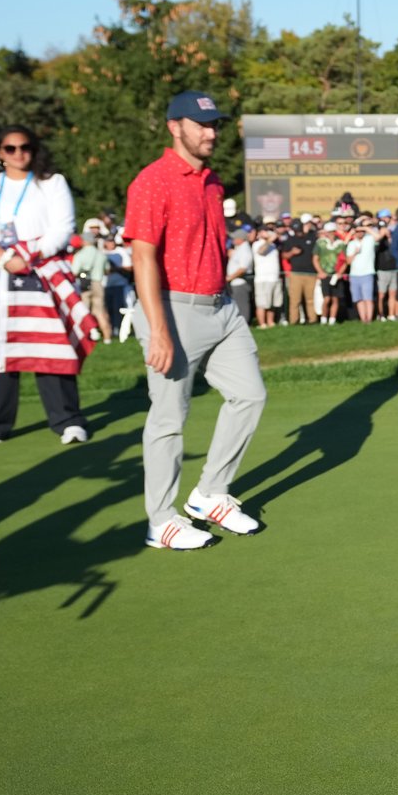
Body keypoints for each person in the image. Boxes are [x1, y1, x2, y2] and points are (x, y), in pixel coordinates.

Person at [126, 91, 266, 550]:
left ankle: (209, 494)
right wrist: (159, 328)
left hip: (221, 307)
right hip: (173, 309)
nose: (210, 132)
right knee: (169, 417)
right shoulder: (152, 181)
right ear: (174, 126)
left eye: (214, 125)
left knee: (250, 396)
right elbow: (143, 257)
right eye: (201, 124)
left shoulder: (212, 180)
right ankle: (161, 521)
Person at [0, 125, 94, 449]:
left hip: (42, 270)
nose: (19, 154)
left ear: (34, 150)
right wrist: (2, 257)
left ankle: (68, 419)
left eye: (25, 147)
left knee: (51, 345)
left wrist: (28, 255)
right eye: (10, 148)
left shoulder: (51, 183)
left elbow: (62, 228)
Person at [72, 219, 114, 343]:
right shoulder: (101, 255)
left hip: (85, 284)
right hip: (98, 283)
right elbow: (107, 270)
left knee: (85, 310)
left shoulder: (80, 255)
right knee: (100, 311)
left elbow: (74, 271)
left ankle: (89, 334)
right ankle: (107, 337)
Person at [281, 215, 319, 325]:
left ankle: (312, 320)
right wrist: (292, 253)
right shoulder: (291, 240)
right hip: (296, 273)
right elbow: (284, 255)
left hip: (311, 273)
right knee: (295, 300)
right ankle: (294, 321)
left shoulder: (312, 237)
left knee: (310, 299)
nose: (298, 232)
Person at [345, 217, 379, 322]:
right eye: (357, 231)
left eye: (361, 231)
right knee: (358, 299)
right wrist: (355, 252)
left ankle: (369, 319)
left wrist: (365, 227)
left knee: (368, 298)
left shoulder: (369, 240)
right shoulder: (351, 244)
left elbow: (377, 237)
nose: (359, 233)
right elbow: (348, 261)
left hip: (367, 274)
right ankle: (363, 319)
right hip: (354, 275)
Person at [251, 223, 282, 328]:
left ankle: (270, 322)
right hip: (263, 279)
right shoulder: (257, 244)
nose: (268, 232)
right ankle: (262, 323)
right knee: (262, 303)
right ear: (259, 233)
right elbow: (261, 251)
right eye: (265, 231)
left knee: (272, 303)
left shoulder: (273, 245)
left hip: (274, 277)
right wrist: (269, 240)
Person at [225, 228, 254, 324]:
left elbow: (243, 268)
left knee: (242, 304)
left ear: (240, 239)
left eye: (235, 238)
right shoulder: (239, 248)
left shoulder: (245, 250)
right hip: (235, 282)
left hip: (240, 282)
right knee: (237, 304)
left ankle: (244, 323)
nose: (232, 240)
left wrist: (230, 277)